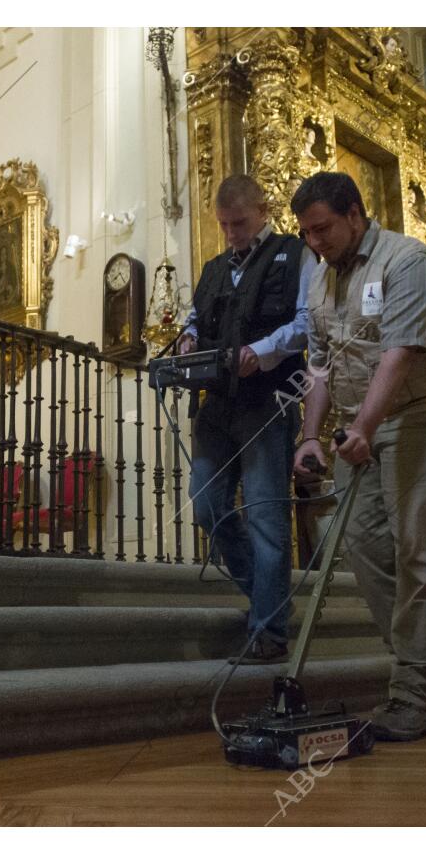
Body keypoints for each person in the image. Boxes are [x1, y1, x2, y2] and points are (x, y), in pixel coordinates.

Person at [291, 171, 426, 741]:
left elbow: (403, 350)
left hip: (422, 417)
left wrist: (364, 426)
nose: (316, 243)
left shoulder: (407, 261)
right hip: (357, 432)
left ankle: (413, 691)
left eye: (323, 229)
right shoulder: (319, 281)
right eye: (307, 234)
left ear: (355, 215)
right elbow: (319, 365)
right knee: (364, 549)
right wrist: (311, 435)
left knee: (417, 547)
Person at [178, 174, 316, 662]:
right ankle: (271, 598)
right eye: (224, 224)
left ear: (263, 208)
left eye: (239, 222)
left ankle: (269, 633)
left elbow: (306, 325)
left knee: (266, 518)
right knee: (206, 506)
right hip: (216, 407)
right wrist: (188, 342)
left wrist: (260, 351)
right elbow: (193, 321)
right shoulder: (213, 267)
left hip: (268, 402)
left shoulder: (295, 255)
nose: (232, 232)